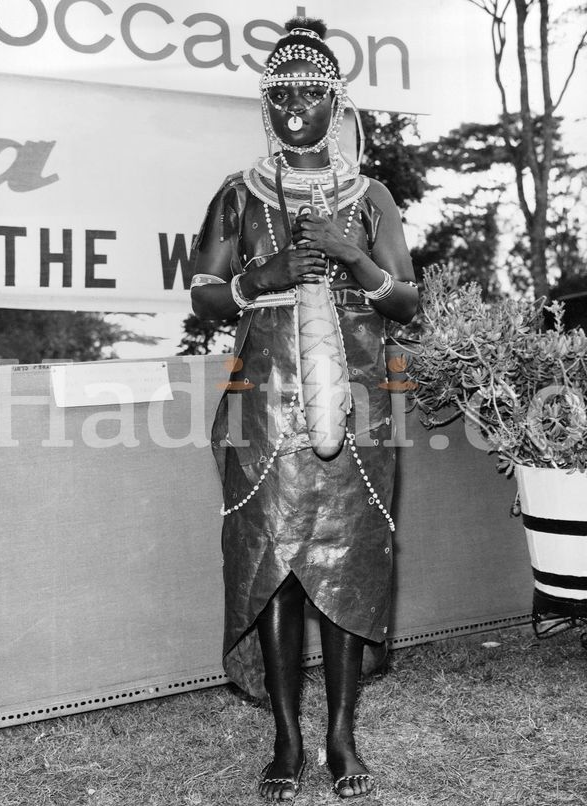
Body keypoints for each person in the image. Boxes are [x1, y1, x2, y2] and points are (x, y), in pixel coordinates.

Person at [190, 17, 418, 802]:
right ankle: (287, 739)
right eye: (280, 96)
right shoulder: (238, 195)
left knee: (346, 557)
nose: (294, 108)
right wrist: (266, 275)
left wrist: (350, 254)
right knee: (278, 566)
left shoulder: (372, 197)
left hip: (355, 406)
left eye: (309, 95)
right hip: (265, 408)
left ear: (336, 103)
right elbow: (203, 296)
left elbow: (407, 301)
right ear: (265, 105)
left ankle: (341, 735)